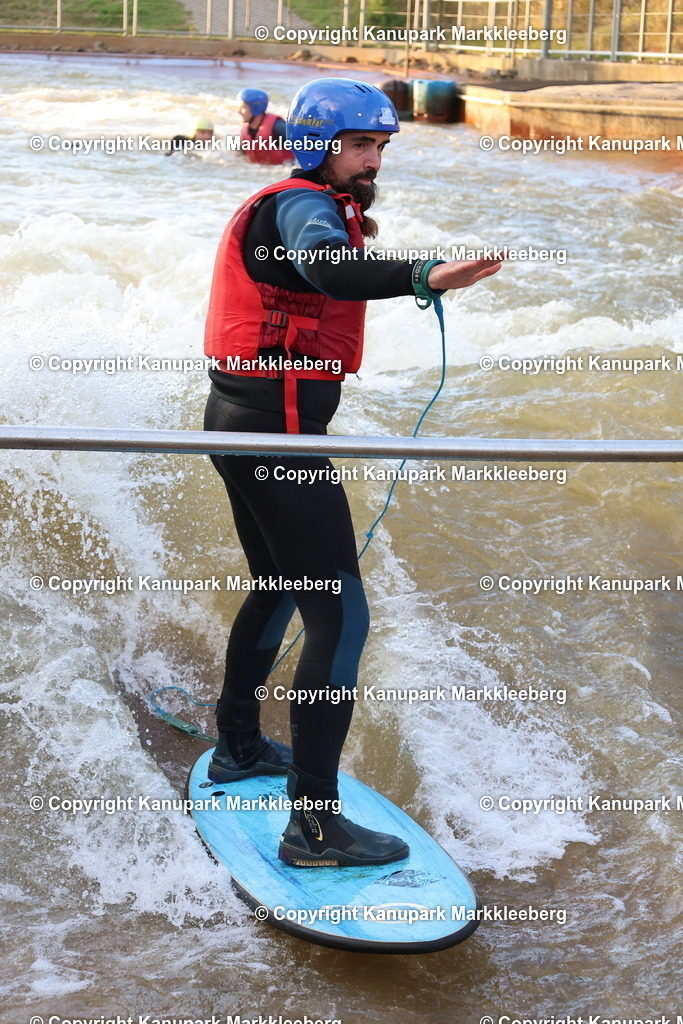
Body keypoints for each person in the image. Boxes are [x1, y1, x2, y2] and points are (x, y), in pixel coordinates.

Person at [202, 78, 501, 868]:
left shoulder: (296, 202)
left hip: (239, 423)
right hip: (278, 434)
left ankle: (236, 744)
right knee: (341, 615)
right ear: (318, 146)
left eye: (380, 147)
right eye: (360, 146)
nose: (373, 161)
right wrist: (422, 276)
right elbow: (327, 270)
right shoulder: (301, 207)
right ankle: (316, 827)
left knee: (276, 587)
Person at [237, 88, 291, 165]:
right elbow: (240, 156)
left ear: (255, 109)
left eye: (244, 107)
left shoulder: (278, 127)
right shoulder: (245, 131)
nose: (239, 112)